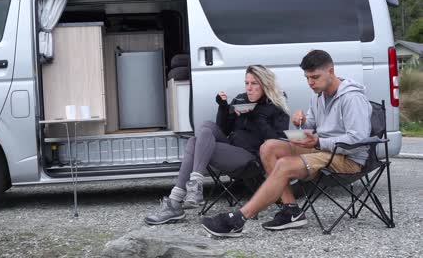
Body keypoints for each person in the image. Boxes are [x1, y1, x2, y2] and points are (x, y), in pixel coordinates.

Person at [201, 50, 372, 237]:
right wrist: (302, 122)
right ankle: (292, 211)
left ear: (330, 71)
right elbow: (311, 126)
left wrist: (320, 141)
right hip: (323, 148)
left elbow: (358, 139)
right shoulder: (318, 95)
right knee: (269, 147)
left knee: (284, 165)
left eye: (314, 77)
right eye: (307, 77)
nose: (310, 83)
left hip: (347, 157)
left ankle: (238, 219)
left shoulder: (352, 98)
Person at [145, 65, 290, 225]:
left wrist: (258, 117)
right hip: (231, 149)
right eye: (246, 83)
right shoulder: (241, 99)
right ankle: (195, 185)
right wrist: (223, 107)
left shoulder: (276, 106)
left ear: (265, 84)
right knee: (203, 131)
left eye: (254, 84)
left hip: (251, 158)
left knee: (196, 143)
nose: (249, 88)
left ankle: (175, 203)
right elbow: (223, 129)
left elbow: (277, 141)